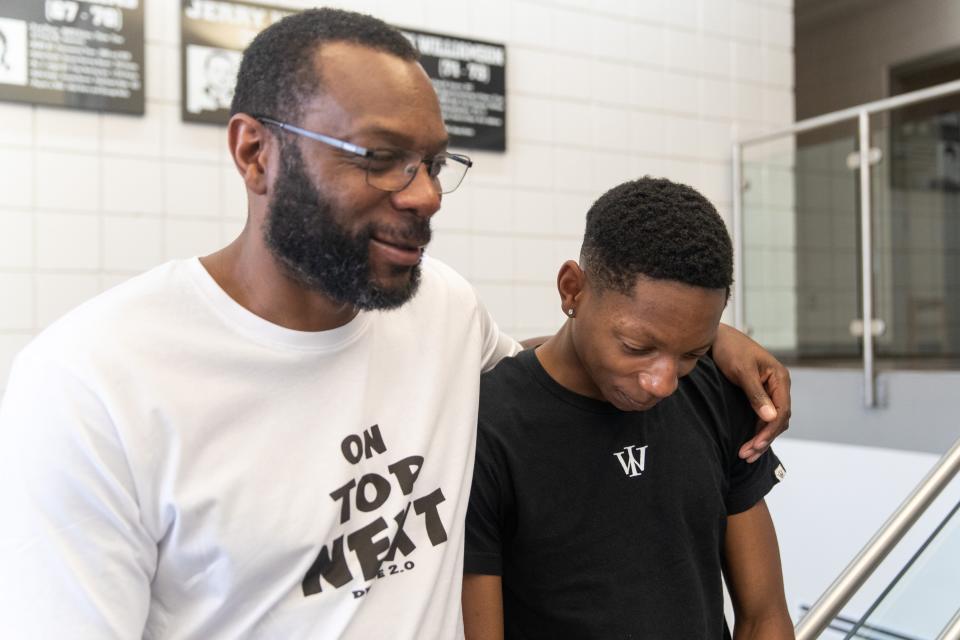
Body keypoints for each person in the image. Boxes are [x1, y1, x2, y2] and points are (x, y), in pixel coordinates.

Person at [0, 9, 789, 639]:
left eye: (435, 162)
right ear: (254, 154)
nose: (425, 195)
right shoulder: (89, 386)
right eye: (380, 156)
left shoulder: (441, 309)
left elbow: (577, 358)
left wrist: (706, 339)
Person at [462, 177, 794, 639]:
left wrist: (702, 357)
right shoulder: (486, 427)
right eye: (637, 346)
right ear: (572, 289)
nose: (662, 383)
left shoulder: (716, 390)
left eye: (691, 353)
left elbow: (764, 617)